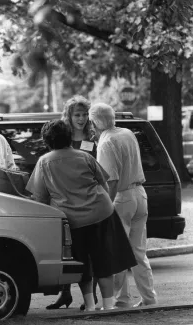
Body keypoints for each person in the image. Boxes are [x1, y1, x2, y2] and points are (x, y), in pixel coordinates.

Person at [26, 120, 136, 311]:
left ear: (47, 141)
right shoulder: (84, 156)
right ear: (69, 136)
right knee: (104, 260)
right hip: (102, 212)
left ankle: (91, 305)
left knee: (82, 264)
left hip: (73, 221)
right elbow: (104, 182)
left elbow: (39, 197)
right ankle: (108, 305)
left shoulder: (44, 162)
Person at [89, 103, 157, 308]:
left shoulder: (105, 143)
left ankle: (121, 299)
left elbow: (111, 181)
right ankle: (149, 298)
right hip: (140, 194)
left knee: (117, 250)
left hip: (122, 198)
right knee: (139, 252)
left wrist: (105, 207)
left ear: (95, 122)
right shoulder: (127, 133)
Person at [46, 95, 97, 310]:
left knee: (88, 252)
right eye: (77, 114)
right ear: (69, 115)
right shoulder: (62, 137)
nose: (82, 118)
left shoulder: (93, 138)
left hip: (87, 201)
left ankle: (90, 298)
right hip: (64, 201)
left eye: (85, 114)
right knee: (66, 251)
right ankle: (65, 294)